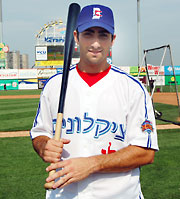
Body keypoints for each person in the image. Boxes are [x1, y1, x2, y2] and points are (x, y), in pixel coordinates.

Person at [30, 4, 159, 199]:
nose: (96, 43)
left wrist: (92, 164)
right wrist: (44, 146)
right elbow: (39, 134)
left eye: (103, 35)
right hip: (63, 195)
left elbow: (145, 153)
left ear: (113, 40)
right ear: (76, 37)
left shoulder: (133, 89)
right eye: (89, 34)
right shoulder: (54, 86)